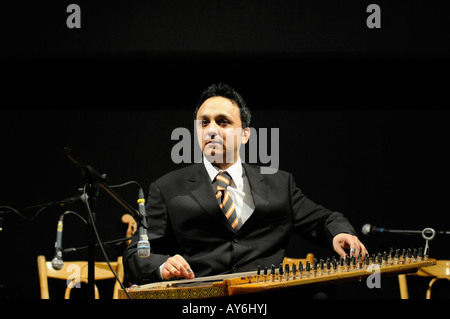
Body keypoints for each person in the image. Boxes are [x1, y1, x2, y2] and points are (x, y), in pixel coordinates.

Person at [123, 83, 367, 285]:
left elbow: (324, 220)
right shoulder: (167, 188)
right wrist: (162, 265)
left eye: (223, 122)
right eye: (204, 122)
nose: (211, 130)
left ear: (245, 134)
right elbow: (135, 256)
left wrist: (341, 233)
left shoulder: (280, 183)